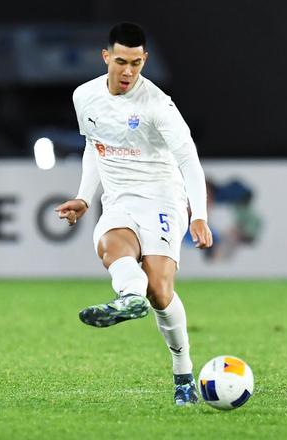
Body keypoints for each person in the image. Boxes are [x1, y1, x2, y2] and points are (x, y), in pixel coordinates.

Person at [55, 22, 213, 406]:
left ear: (145, 60)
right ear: (106, 57)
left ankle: (183, 374)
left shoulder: (158, 105)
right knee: (111, 245)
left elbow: (188, 160)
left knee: (159, 290)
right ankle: (128, 297)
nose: (128, 72)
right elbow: (94, 146)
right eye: (121, 62)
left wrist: (199, 214)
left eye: (136, 64)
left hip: (162, 199)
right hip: (119, 199)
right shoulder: (85, 96)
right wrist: (84, 197)